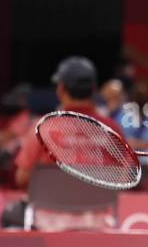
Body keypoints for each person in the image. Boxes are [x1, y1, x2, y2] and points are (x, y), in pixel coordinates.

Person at [13, 57, 123, 189]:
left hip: (50, 202)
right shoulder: (113, 129)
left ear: (60, 89)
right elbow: (126, 176)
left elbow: (22, 178)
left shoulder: (42, 128)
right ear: (94, 90)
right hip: (100, 203)